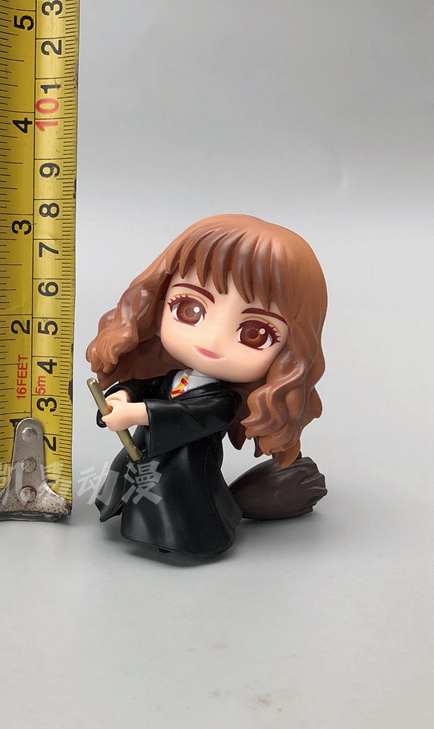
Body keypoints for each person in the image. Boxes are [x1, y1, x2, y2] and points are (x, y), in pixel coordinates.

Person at [86, 214, 327, 556]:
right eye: (190, 309)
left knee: (174, 508)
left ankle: (175, 537)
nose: (213, 339)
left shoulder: (221, 401)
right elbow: (149, 387)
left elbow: (191, 415)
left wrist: (138, 414)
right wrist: (125, 395)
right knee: (140, 488)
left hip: (183, 476)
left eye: (255, 333)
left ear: (290, 351)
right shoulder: (175, 377)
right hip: (147, 464)